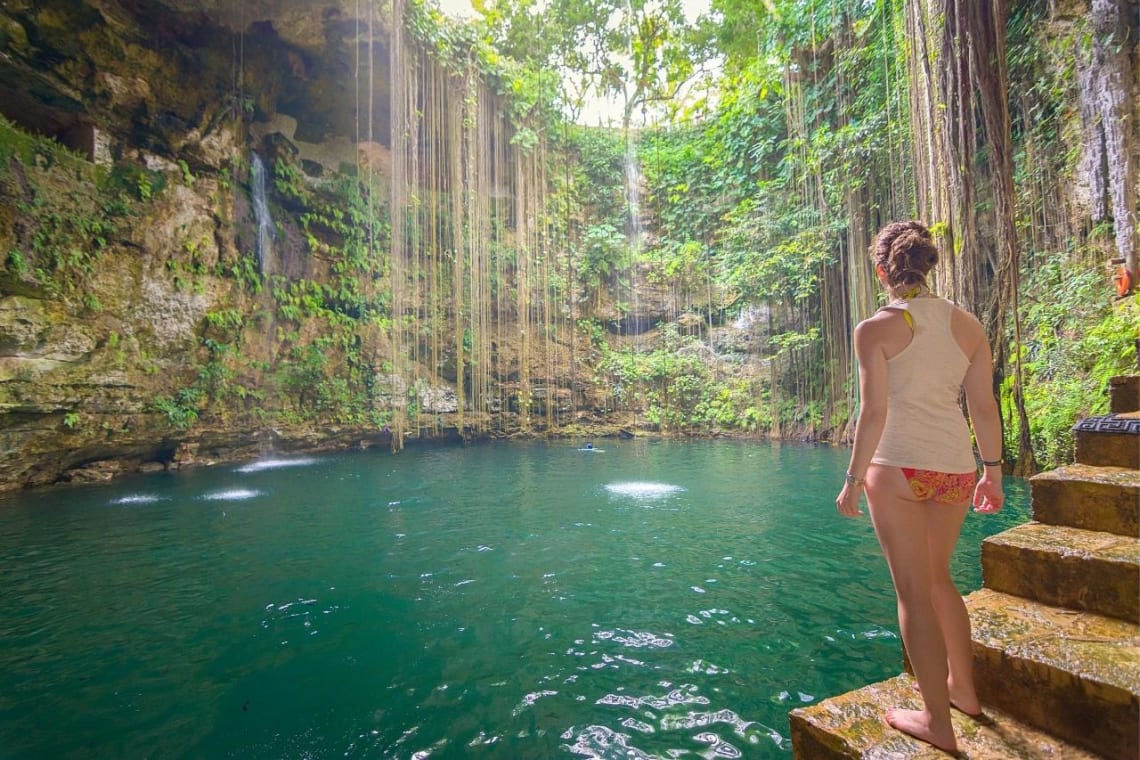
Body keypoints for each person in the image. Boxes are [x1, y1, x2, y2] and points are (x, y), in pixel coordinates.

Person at [835, 220, 1005, 754]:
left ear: (882, 271)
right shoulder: (968, 326)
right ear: (929, 265)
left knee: (912, 593)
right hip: (954, 469)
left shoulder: (875, 329)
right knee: (940, 581)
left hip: (897, 470)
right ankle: (964, 693)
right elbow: (982, 406)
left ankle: (938, 721)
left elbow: (875, 411)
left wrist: (852, 479)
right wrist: (992, 471)